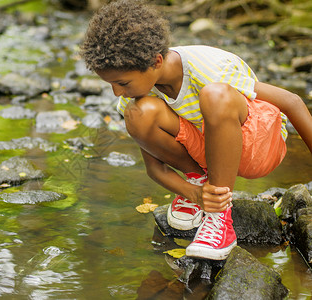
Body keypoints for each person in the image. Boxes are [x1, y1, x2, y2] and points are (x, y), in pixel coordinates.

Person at [80, 0, 312, 260]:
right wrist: (195, 193)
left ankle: (219, 219)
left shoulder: (208, 67)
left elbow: (292, 101)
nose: (116, 92)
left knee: (214, 95)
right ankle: (200, 180)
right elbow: (155, 169)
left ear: (156, 61)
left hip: (258, 144)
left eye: (122, 82)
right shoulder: (137, 94)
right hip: (212, 149)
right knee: (138, 113)